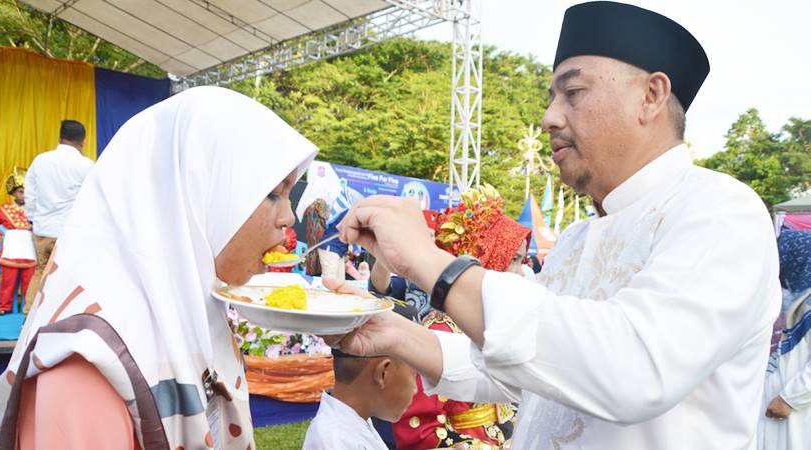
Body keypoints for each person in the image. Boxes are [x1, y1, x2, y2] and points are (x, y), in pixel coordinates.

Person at [329, 3, 781, 449]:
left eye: (573, 93)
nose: (550, 117)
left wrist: (430, 262)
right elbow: (528, 369)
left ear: (651, 95)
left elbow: (633, 369)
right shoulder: (576, 238)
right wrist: (395, 333)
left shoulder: (720, 210)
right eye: (552, 98)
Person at [0, 86, 318, 449]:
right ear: (193, 193)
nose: (289, 217)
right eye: (273, 193)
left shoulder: (191, 309)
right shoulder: (89, 368)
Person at [392, 185, 528, 450]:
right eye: (514, 259)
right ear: (488, 260)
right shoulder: (441, 330)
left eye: (522, 261)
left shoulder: (493, 322)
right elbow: (419, 431)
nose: (522, 274)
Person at [23, 119, 94, 314]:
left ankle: (29, 316)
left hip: (43, 229)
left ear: (60, 138)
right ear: (83, 141)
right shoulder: (86, 165)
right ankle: (65, 316)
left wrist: (32, 219)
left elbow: (30, 195)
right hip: (71, 231)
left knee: (41, 271)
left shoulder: (40, 161)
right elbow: (92, 200)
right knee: (71, 275)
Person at [758, 230, 811, 450]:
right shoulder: (781, 298)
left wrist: (789, 399)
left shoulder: (806, 304)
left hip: (794, 408)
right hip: (766, 403)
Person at [303, 349, 417, 450]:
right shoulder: (335, 440)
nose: (415, 389)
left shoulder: (353, 423)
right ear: (383, 373)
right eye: (413, 375)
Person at [0, 169, 36, 315]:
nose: (24, 195)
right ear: (14, 192)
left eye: (27, 192)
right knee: (7, 280)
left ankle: (30, 308)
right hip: (12, 247)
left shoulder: (34, 209)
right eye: (21, 191)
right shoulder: (5, 209)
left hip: (29, 247)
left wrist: (35, 226)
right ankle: (3, 306)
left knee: (30, 280)